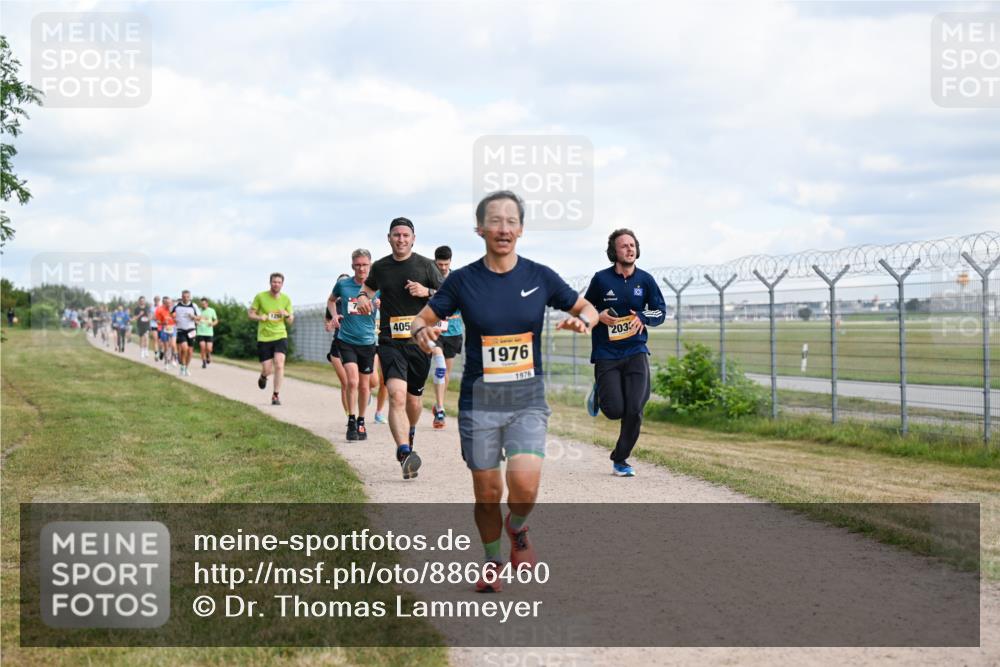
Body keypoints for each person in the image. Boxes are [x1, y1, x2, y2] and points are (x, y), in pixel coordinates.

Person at [411, 190, 597, 591]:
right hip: (480, 404)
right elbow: (420, 320)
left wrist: (585, 321)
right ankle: (493, 559)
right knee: (488, 491)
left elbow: (585, 307)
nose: (504, 228)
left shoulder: (539, 276)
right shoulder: (462, 280)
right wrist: (422, 330)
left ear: (522, 229)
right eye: (495, 220)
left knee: (525, 488)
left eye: (512, 221)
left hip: (527, 401)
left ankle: (518, 528)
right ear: (480, 229)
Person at [355, 217, 443, 480]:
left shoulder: (426, 266)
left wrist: (425, 290)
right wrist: (362, 299)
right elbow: (367, 290)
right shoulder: (381, 267)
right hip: (390, 342)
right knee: (396, 395)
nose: (401, 239)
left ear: (413, 238)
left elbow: (449, 295)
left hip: (420, 342)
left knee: (414, 402)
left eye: (406, 235)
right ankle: (404, 452)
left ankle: (410, 430)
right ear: (389, 238)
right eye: (396, 235)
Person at [584, 229, 667, 477]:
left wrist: (642, 316)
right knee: (615, 411)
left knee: (635, 408)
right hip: (606, 353)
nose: (629, 249)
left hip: (636, 350)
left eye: (632, 245)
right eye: (624, 246)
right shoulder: (601, 279)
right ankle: (600, 390)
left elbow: (660, 311)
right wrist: (598, 316)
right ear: (614, 252)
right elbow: (585, 309)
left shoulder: (646, 280)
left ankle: (621, 459)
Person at [331, 250, 381, 441]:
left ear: (370, 265)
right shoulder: (343, 285)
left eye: (365, 265)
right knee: (352, 381)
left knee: (366, 385)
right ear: (352, 266)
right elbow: (331, 300)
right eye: (358, 265)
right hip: (346, 340)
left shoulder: (377, 287)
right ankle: (351, 420)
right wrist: (335, 315)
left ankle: (361, 420)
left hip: (368, 342)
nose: (361, 268)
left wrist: (380, 304)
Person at [431, 245, 463, 429]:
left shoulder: (457, 278)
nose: (443, 267)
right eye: (440, 264)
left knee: (446, 372)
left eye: (446, 264)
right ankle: (441, 409)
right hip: (435, 330)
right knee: (440, 367)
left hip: (454, 331)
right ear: (435, 261)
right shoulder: (429, 277)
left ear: (451, 262)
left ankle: (438, 402)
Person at [249, 273, 294, 406]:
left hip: (280, 335)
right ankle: (263, 376)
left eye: (279, 282)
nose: (276, 284)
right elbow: (251, 313)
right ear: (270, 283)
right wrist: (259, 317)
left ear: (282, 284)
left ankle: (275, 395)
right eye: (274, 282)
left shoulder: (286, 299)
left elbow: (291, 320)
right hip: (264, 337)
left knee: (279, 365)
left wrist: (286, 315)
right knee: (268, 369)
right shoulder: (260, 297)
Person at [325, 273, 352, 417]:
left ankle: (363, 394)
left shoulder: (355, 300)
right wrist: (330, 324)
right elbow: (327, 324)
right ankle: (349, 416)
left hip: (355, 344)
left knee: (357, 382)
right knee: (345, 383)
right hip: (337, 345)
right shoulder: (333, 304)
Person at [172, 290, 200, 376]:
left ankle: (186, 368)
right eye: (184, 297)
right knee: (184, 348)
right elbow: (170, 315)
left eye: (187, 297)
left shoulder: (193, 305)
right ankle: (182, 367)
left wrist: (194, 317)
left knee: (190, 351)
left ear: (190, 297)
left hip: (191, 330)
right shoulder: (177, 305)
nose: (186, 298)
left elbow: (199, 318)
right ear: (182, 296)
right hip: (181, 330)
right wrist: (173, 319)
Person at [155, 297, 178, 367]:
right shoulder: (160, 310)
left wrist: (175, 319)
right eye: (167, 303)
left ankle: (173, 359)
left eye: (170, 303)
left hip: (173, 328)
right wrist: (163, 322)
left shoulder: (175, 310)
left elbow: (178, 320)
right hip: (164, 329)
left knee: (173, 345)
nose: (169, 304)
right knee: (166, 347)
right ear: (164, 303)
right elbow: (158, 321)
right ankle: (166, 362)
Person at [195, 297, 218, 368]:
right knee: (202, 347)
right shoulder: (198, 310)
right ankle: (204, 362)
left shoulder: (212, 310)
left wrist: (212, 324)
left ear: (207, 304)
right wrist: (196, 322)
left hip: (209, 333)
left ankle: (208, 354)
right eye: (202, 304)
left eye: (204, 304)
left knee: (209, 348)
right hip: (200, 332)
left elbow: (216, 320)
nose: (203, 305)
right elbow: (194, 319)